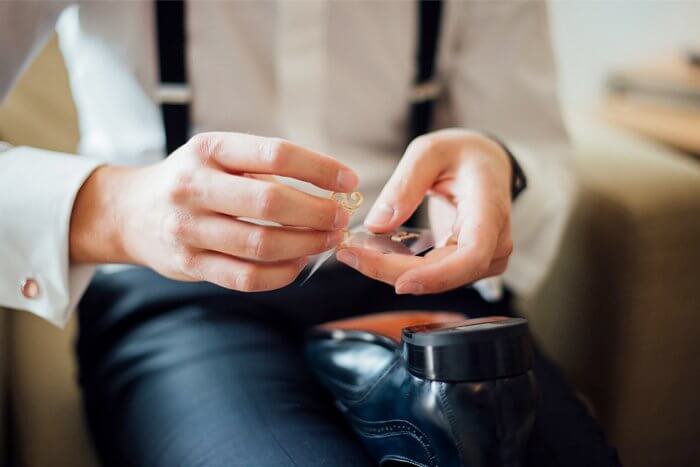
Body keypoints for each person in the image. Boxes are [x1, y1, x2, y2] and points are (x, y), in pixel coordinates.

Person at [0, 1, 619, 466]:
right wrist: (115, 209)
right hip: (176, 299)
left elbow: (528, 136)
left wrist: (496, 168)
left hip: (415, 287)